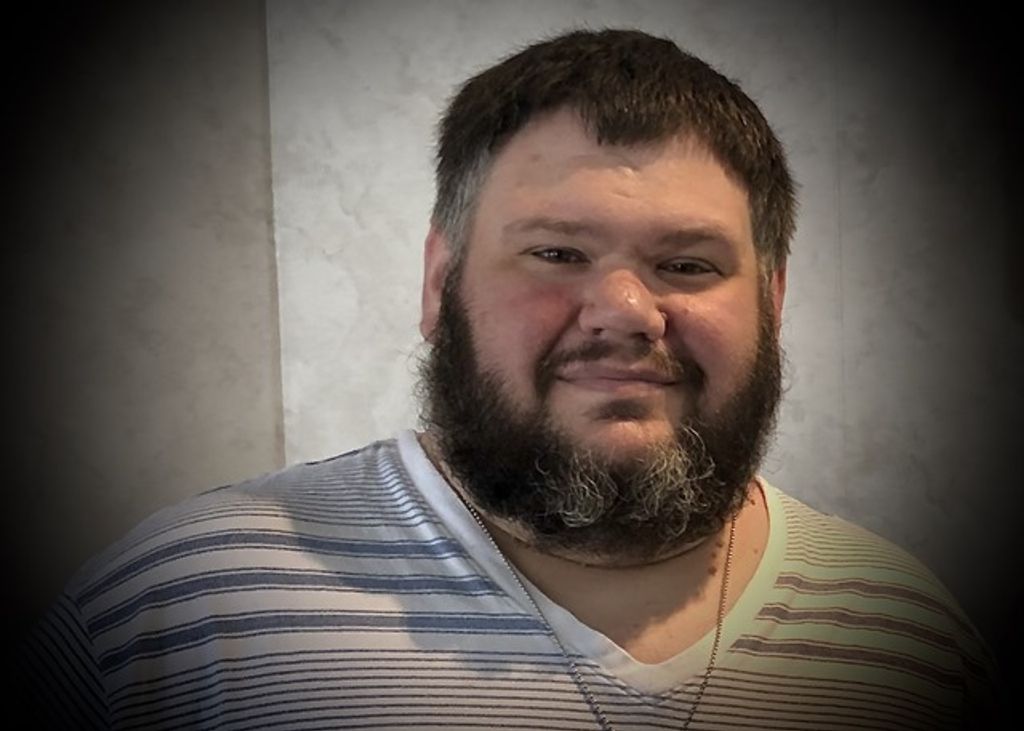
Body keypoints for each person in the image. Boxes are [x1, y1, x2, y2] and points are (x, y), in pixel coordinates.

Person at [23, 29, 995, 730]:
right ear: (438, 284)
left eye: (688, 264)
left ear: (773, 302)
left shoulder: (906, 633)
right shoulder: (174, 609)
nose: (625, 309)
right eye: (557, 252)